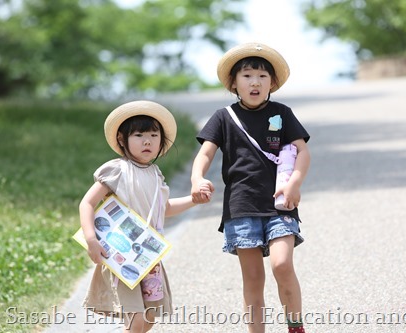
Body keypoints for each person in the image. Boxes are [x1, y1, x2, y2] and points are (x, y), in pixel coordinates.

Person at [191, 42, 311, 333]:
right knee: (253, 279)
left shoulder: (282, 113)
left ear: (273, 83)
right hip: (240, 207)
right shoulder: (223, 117)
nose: (255, 82)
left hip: (280, 203)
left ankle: (295, 326)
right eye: (247, 76)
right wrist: (197, 178)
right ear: (234, 84)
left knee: (282, 265)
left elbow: (302, 152)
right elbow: (206, 153)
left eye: (262, 76)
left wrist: (295, 183)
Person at [79, 100, 208, 332]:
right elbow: (87, 203)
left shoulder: (155, 174)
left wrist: (192, 200)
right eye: (138, 135)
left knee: (148, 319)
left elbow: (164, 208)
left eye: (153, 134)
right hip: (120, 256)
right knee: (136, 320)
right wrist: (91, 240)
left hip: (148, 257)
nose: (147, 140)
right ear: (122, 139)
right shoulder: (117, 169)